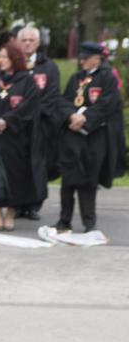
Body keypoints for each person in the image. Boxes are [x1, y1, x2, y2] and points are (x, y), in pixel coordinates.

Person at [54, 41, 124, 233]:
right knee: (68, 180)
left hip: (94, 137)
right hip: (72, 135)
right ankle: (64, 220)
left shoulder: (107, 78)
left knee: (88, 180)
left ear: (97, 59)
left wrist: (85, 118)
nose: (82, 61)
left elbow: (108, 104)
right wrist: (72, 115)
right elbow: (64, 100)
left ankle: (89, 222)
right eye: (81, 57)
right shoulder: (76, 78)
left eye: (86, 58)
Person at [0, 40, 43, 230]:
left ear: (14, 58)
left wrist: (7, 120)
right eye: (0, 56)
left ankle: (11, 213)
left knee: (14, 175)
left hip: (15, 138)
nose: (1, 60)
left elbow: (29, 107)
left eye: (5, 56)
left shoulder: (27, 81)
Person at [17, 26, 61, 219]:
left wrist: (31, 114)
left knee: (37, 165)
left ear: (38, 43)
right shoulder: (13, 64)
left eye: (31, 40)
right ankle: (17, 203)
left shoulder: (48, 67)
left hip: (39, 125)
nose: (27, 43)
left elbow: (52, 97)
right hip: (17, 125)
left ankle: (33, 205)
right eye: (24, 40)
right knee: (18, 164)